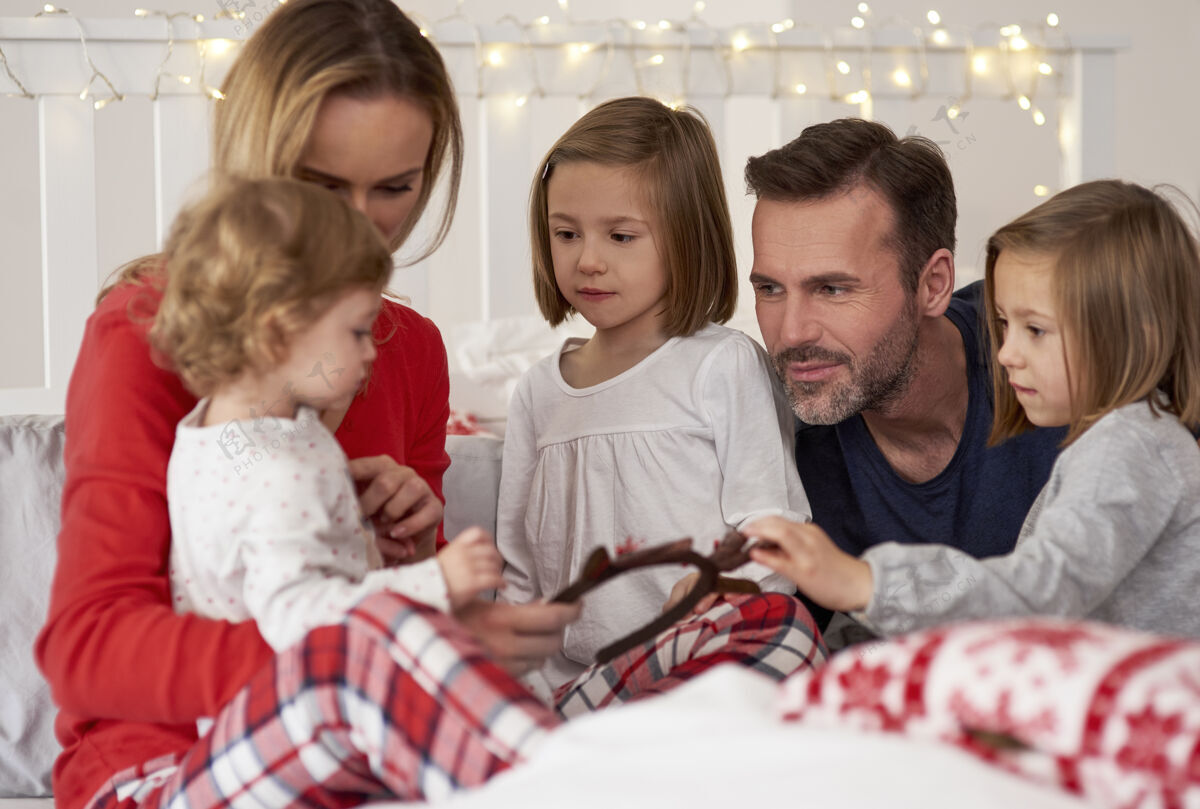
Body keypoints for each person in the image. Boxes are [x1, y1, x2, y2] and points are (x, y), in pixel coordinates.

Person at [35, 3, 579, 808]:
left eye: (394, 187)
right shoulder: (144, 329)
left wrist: (406, 545)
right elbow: (87, 649)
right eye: (320, 186)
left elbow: (360, 590)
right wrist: (384, 649)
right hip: (159, 761)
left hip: (355, 744)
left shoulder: (409, 348)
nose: (357, 223)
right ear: (257, 164)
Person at [746, 179, 1200, 639]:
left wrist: (867, 583)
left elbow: (1040, 592)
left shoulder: (1128, 449)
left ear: (1135, 334)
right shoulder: (1122, 441)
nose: (1006, 353)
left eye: (1036, 330)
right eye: (1004, 323)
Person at [497, 96, 822, 708]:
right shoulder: (540, 391)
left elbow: (771, 529)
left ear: (684, 235)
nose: (587, 259)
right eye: (566, 233)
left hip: (701, 655)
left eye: (621, 236)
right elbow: (520, 571)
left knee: (788, 634)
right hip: (576, 683)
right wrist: (515, 683)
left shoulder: (720, 365)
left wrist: (722, 593)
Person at [742, 118, 1064, 632]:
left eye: (833, 289)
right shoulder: (771, 444)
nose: (793, 332)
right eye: (771, 290)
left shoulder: (1060, 358)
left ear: (933, 284)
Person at [155, 177, 504, 651]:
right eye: (358, 331)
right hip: (303, 708)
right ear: (280, 333)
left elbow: (261, 547)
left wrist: (347, 524)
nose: (373, 351)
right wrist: (432, 582)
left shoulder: (214, 436)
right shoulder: (282, 471)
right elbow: (297, 617)